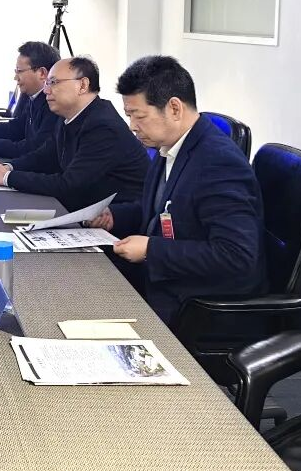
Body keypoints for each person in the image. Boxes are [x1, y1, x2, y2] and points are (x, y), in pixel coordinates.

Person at [86, 55, 265, 325]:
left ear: (174, 108)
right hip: (163, 278)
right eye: (129, 116)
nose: (132, 126)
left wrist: (151, 249)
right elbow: (164, 210)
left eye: (139, 116)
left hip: (195, 303)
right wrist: (114, 216)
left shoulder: (218, 163)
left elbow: (236, 255)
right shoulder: (169, 145)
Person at [0, 57, 148, 211]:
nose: (46, 90)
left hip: (117, 218)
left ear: (83, 85)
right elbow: (45, 156)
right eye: (46, 83)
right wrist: (9, 167)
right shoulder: (69, 116)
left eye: (53, 82)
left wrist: (8, 177)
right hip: (84, 208)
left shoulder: (103, 126)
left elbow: (69, 185)